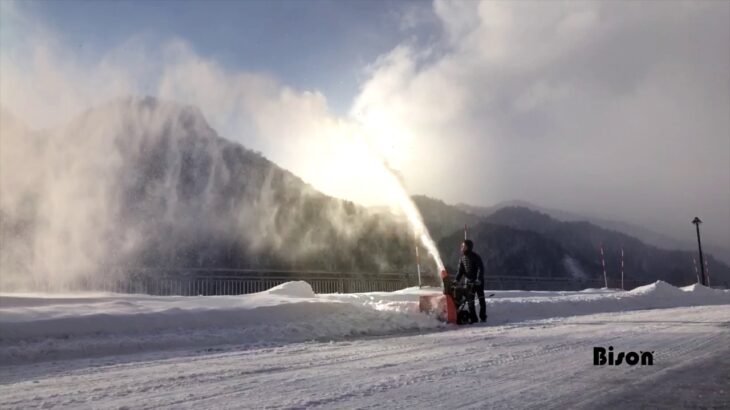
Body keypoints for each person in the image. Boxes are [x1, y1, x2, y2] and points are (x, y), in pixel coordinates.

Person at [455, 239, 487, 323]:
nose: (462, 248)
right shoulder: (462, 258)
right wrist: (456, 280)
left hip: (478, 282)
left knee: (481, 299)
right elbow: (460, 271)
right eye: (462, 246)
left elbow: (481, 268)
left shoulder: (476, 256)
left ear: (469, 247)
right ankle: (474, 318)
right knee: (470, 301)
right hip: (468, 282)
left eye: (464, 246)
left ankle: (483, 317)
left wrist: (478, 279)